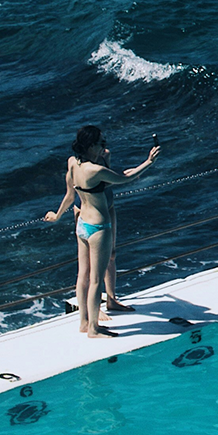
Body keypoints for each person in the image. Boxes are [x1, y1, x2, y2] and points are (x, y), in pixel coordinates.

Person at [45, 125, 159, 339]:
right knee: (96, 279)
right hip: (98, 227)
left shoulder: (73, 163)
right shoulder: (95, 171)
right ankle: (94, 329)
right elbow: (125, 178)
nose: (102, 147)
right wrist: (149, 162)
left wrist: (57, 216)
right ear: (90, 146)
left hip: (82, 225)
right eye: (99, 144)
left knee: (83, 275)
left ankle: (84, 323)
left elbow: (70, 196)